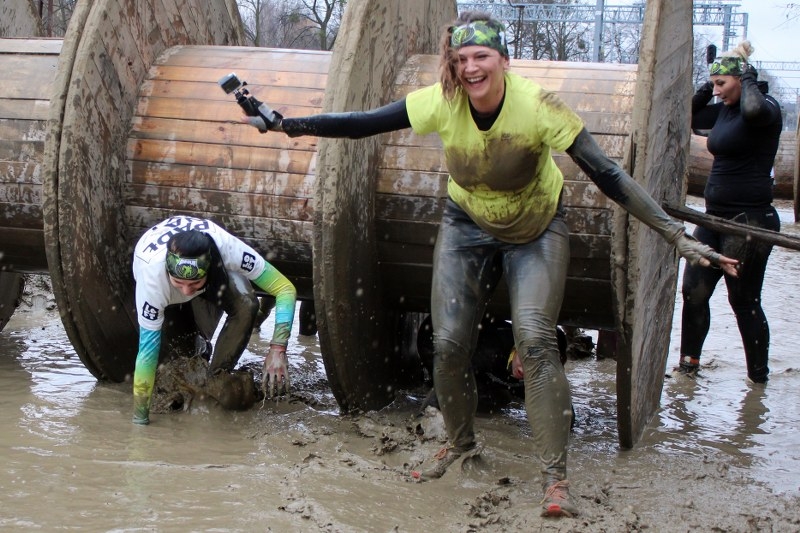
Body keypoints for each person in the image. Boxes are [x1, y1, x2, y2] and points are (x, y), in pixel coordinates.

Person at [237, 11, 737, 518]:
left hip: (536, 228)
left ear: (503, 59)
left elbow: (607, 173)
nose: (471, 68)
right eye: (462, 59)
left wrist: (676, 235)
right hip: (467, 225)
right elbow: (366, 122)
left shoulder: (537, 106)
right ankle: (460, 444)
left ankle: (555, 479)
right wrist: (286, 125)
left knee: (536, 341)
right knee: (449, 344)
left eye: (481, 57)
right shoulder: (442, 101)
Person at [678, 41, 782, 384]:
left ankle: (758, 382)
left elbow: (752, 110)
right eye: (714, 85)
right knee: (693, 291)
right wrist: (709, 83)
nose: (717, 91)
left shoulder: (765, 108)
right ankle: (688, 367)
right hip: (713, 219)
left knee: (743, 300)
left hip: (749, 222)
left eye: (722, 83)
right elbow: (688, 115)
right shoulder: (723, 111)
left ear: (742, 79)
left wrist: (748, 76)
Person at [131, 215, 297, 425]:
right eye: (179, 282)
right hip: (163, 288)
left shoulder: (229, 249)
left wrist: (278, 348)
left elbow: (285, 288)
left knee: (246, 304)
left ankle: (217, 376)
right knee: (181, 356)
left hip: (214, 280)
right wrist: (140, 419)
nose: (186, 291)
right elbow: (146, 355)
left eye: (194, 283)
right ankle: (198, 345)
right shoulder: (152, 282)